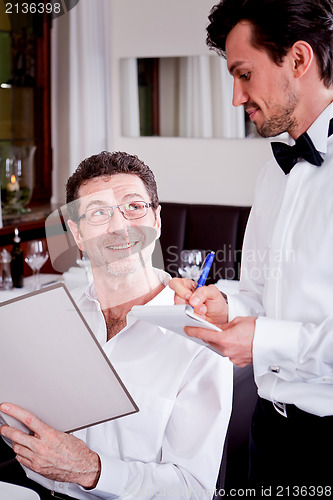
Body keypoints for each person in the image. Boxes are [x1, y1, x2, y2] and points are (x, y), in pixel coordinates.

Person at [0, 151, 233, 500]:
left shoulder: (200, 341)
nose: (119, 226)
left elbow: (194, 489)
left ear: (155, 220)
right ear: (77, 234)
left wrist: (92, 470)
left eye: (134, 207)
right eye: (98, 213)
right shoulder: (49, 320)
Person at [170, 0, 333, 490]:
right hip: (270, 431)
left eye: (244, 74)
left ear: (298, 60)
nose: (236, 97)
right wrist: (223, 303)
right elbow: (262, 288)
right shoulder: (271, 175)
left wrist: (261, 340)